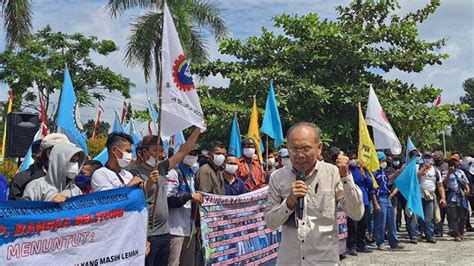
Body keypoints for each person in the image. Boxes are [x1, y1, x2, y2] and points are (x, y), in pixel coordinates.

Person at [265, 122, 364, 264]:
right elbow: (270, 222)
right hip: (289, 260)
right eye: (294, 149)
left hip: (323, 260)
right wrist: (289, 202)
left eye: (306, 148)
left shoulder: (333, 173)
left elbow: (356, 213)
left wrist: (345, 177)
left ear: (319, 148)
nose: (299, 155)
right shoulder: (277, 177)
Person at [129, 127, 202, 266]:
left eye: (161, 150)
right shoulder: (136, 172)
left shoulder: (162, 168)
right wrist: (149, 181)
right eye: (155, 151)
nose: (159, 154)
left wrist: (197, 130)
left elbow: (182, 152)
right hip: (147, 234)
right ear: (145, 152)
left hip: (164, 232)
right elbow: (135, 198)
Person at [166, 149, 204, 266]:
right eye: (190, 153)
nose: (193, 157)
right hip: (175, 228)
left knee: (188, 262)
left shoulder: (191, 174)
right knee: (173, 262)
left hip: (190, 227)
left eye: (195, 155)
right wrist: (189, 195)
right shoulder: (174, 172)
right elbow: (168, 199)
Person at [346, 151, 378, 256]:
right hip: (352, 200)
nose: (353, 160)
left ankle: (361, 245)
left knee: (363, 225)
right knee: (352, 225)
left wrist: (364, 176)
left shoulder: (362, 170)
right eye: (351, 158)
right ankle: (352, 246)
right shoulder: (347, 171)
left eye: (355, 157)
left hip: (364, 200)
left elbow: (370, 185)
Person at [373, 152, 404, 251]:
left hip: (387, 197)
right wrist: (375, 203)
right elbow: (373, 187)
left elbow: (385, 180)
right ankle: (380, 242)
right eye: (383, 160)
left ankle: (394, 242)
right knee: (381, 221)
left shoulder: (382, 171)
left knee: (391, 221)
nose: (385, 162)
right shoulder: (374, 172)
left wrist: (395, 174)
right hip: (380, 197)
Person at [416, 152, 447, 243]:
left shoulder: (436, 170)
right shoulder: (418, 167)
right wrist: (424, 168)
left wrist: (443, 197)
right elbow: (416, 176)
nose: (427, 159)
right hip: (419, 195)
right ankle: (420, 233)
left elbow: (440, 185)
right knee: (419, 216)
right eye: (425, 157)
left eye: (429, 157)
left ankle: (430, 235)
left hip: (430, 196)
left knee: (429, 217)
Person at [443, 156, 470, 241]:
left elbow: (466, 183)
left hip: (461, 196)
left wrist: (467, 189)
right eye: (452, 162)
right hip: (452, 196)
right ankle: (456, 234)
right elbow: (444, 184)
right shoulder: (446, 172)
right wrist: (449, 173)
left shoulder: (461, 172)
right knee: (453, 217)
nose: (454, 163)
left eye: (455, 161)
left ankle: (461, 232)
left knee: (463, 216)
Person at [433, 150, 449, 237]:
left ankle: (452, 229)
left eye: (438, 157)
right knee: (439, 211)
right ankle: (438, 230)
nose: (436, 158)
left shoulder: (447, 165)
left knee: (449, 211)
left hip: (448, 190)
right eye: (435, 157)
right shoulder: (433, 167)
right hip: (437, 190)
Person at [462, 156, 474, 231]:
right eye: (469, 163)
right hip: (466, 193)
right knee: (465, 209)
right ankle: (467, 225)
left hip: (473, 193)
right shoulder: (462, 171)